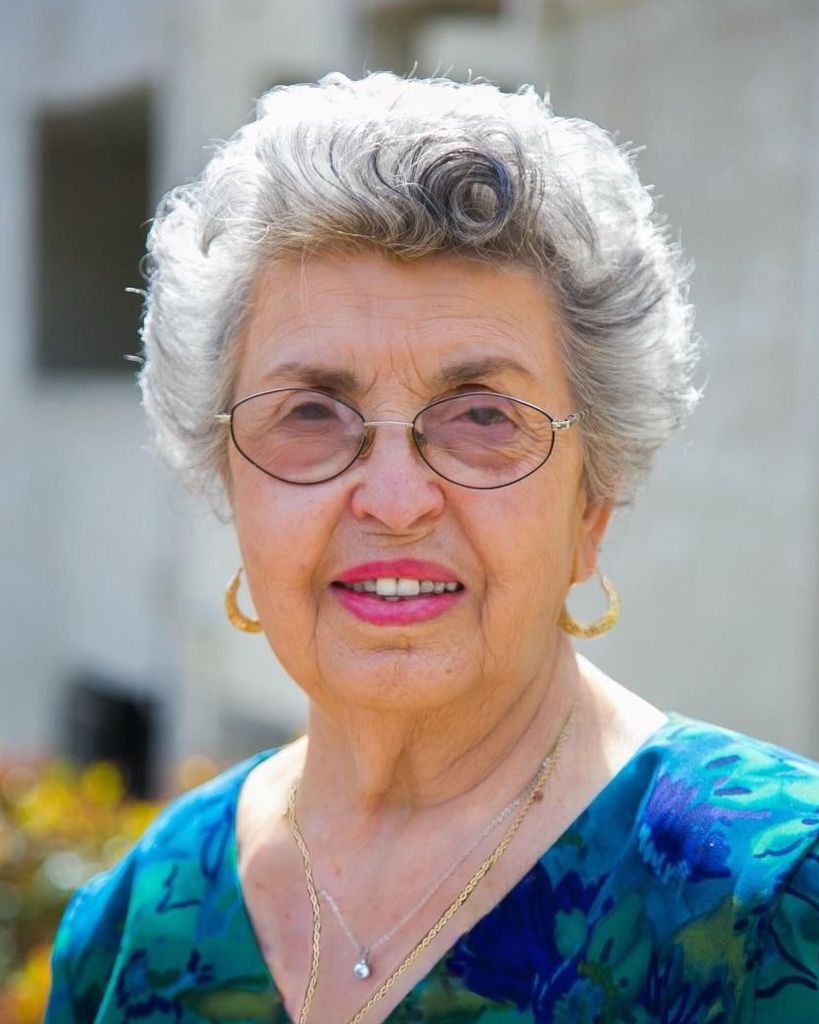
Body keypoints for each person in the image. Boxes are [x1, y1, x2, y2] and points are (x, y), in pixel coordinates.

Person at [46, 72, 819, 1024]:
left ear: (592, 501)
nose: (395, 500)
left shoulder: (773, 903)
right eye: (311, 413)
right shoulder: (135, 924)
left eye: (482, 416)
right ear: (228, 480)